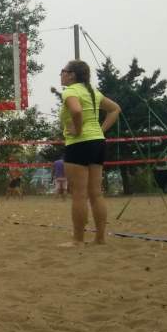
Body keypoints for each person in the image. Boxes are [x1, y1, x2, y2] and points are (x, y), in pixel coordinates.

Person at [59, 59, 120, 245]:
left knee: (79, 194)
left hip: (79, 144)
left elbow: (76, 111)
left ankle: (78, 239)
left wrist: (77, 130)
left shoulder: (70, 91)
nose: (61, 74)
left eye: (63, 70)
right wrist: (100, 130)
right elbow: (115, 109)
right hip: (98, 143)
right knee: (96, 193)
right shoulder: (92, 92)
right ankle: (100, 238)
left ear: (72, 75)